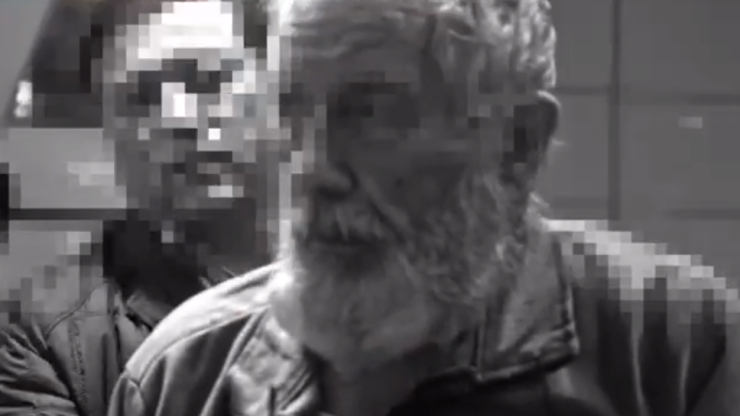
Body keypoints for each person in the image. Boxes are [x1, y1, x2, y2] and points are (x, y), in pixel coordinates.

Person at [107, 0, 740, 415]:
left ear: (517, 144)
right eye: (291, 108)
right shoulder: (181, 380)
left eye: (372, 115)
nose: (313, 168)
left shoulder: (675, 353)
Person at [0, 0, 269, 415]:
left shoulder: (369, 271)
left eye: (207, 80)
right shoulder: (43, 341)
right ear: (111, 133)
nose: (178, 117)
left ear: (280, 93)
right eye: (142, 97)